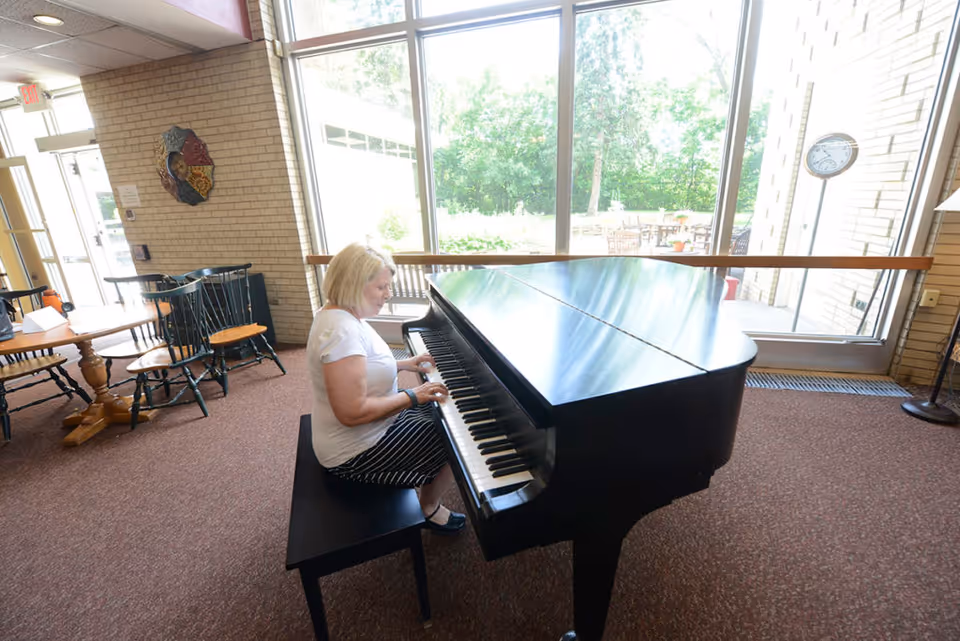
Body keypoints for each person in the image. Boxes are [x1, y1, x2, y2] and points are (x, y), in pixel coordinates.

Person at [307, 243, 465, 533]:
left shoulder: (341, 313)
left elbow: (364, 365)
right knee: (455, 437)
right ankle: (429, 509)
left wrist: (405, 364)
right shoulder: (341, 331)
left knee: (439, 412)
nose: (388, 294)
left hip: (368, 429)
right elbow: (352, 413)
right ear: (355, 284)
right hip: (354, 451)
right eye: (382, 287)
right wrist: (412, 395)